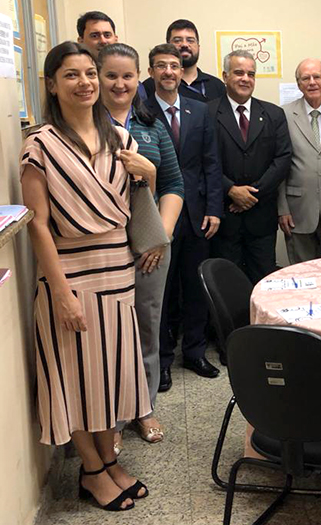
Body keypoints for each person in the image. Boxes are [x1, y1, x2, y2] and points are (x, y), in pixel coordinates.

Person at [20, 41, 150, 511]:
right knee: (75, 378)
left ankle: (109, 460)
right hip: (70, 277)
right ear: (52, 85)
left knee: (108, 377)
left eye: (90, 73)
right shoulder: (40, 144)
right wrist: (60, 292)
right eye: (71, 75)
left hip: (117, 272)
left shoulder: (121, 139)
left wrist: (149, 173)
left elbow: (138, 211)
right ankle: (91, 469)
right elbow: (36, 223)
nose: (86, 83)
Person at [98, 43, 184, 451]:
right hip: (102, 250)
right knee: (111, 334)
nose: (120, 83)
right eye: (111, 75)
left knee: (148, 328)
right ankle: (112, 416)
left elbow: (174, 184)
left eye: (127, 76)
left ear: (139, 79)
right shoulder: (86, 123)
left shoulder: (150, 123)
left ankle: (145, 406)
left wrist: (159, 237)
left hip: (150, 248)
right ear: (98, 78)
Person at [144, 43, 223, 387]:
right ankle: (161, 360)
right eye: (161, 66)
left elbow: (211, 163)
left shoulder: (199, 110)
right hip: (156, 216)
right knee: (161, 292)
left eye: (174, 66)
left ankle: (194, 352)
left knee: (195, 288)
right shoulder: (142, 111)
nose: (168, 72)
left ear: (181, 71)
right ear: (151, 73)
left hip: (196, 214)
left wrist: (214, 210)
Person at [210, 51, 292, 285]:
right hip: (225, 219)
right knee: (228, 286)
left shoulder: (274, 114)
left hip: (261, 217)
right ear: (225, 76)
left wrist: (251, 194)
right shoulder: (207, 113)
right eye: (238, 72)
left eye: (251, 74)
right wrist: (231, 190)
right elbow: (205, 161)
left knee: (263, 281)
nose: (245, 78)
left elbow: (283, 158)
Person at [278, 58, 321, 262]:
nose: (312, 82)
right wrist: (282, 209)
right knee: (302, 274)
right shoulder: (284, 114)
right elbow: (280, 163)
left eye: (317, 76)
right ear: (298, 84)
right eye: (305, 78)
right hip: (298, 210)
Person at [142, 19, 225, 103]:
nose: (184, 45)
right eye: (177, 40)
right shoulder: (150, 85)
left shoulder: (217, 86)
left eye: (190, 40)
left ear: (198, 47)